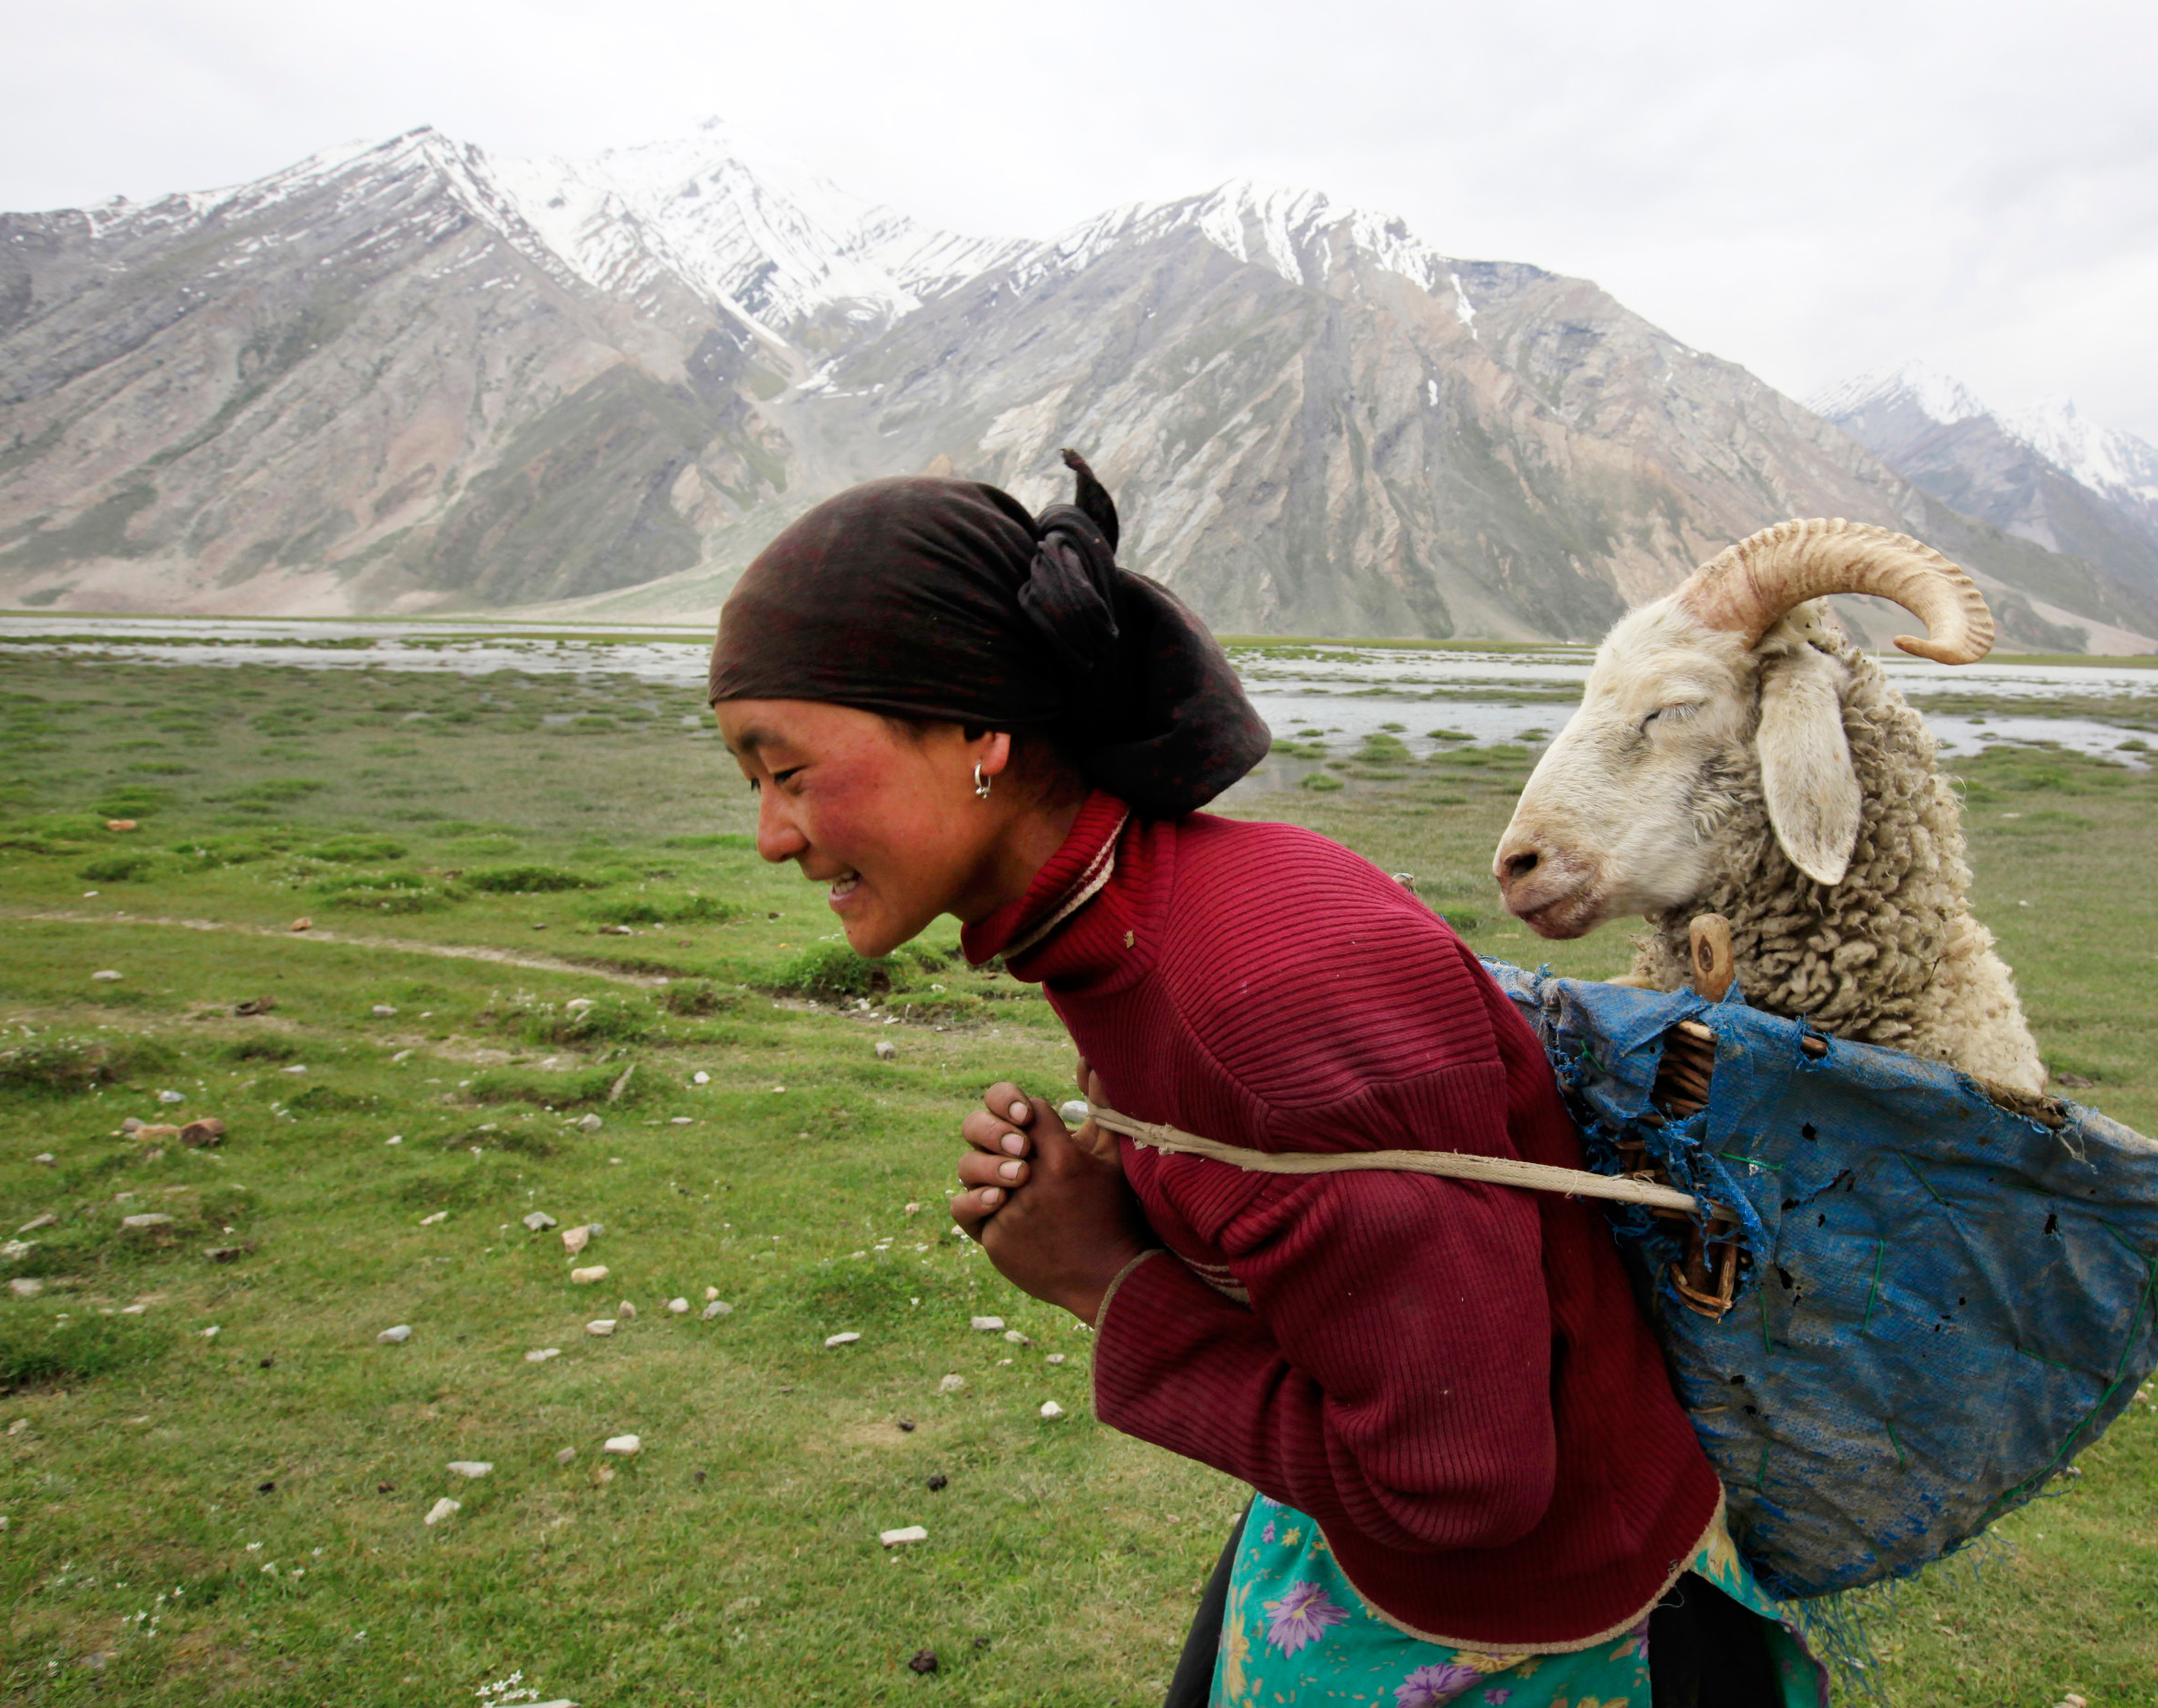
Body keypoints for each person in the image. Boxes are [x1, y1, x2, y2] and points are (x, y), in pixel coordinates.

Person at [709, 458, 1822, 1708]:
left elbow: (1461, 1485)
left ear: (980, 733)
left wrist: (1103, 1279)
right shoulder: (1139, 923)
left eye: (788, 772)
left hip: (1541, 1621)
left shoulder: (1262, 1001)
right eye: (752, 783)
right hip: (1362, 1552)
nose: (771, 836)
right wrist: (1136, 1204)